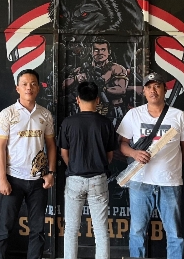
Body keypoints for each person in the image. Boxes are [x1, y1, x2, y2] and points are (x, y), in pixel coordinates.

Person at [117, 72, 184, 259]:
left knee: (174, 233)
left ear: (165, 89)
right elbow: (122, 144)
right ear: (143, 91)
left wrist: (171, 166)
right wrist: (134, 153)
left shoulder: (179, 116)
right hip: (139, 181)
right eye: (149, 87)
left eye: (157, 86)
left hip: (170, 183)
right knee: (137, 232)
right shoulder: (134, 114)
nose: (153, 90)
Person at [0, 69, 56, 259]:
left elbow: (51, 145)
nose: (29, 87)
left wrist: (51, 172)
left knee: (37, 230)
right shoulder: (7, 114)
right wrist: (2, 179)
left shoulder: (45, 114)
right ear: (17, 88)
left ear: (38, 87)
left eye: (33, 84)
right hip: (12, 179)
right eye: (25, 84)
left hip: (38, 181)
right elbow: (0, 148)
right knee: (4, 228)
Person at [58, 81, 118, 259]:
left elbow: (64, 153)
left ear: (77, 99)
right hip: (98, 179)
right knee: (101, 230)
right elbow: (109, 156)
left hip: (75, 179)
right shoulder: (105, 123)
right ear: (98, 99)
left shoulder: (68, 123)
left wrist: (74, 166)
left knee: (71, 229)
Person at [65, 39, 128, 124]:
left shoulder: (116, 69)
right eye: (96, 50)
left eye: (103, 49)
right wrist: (76, 78)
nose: (100, 53)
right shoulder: (83, 69)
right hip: (87, 114)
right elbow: (64, 85)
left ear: (109, 52)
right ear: (91, 52)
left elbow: (122, 89)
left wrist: (103, 88)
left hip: (112, 111)